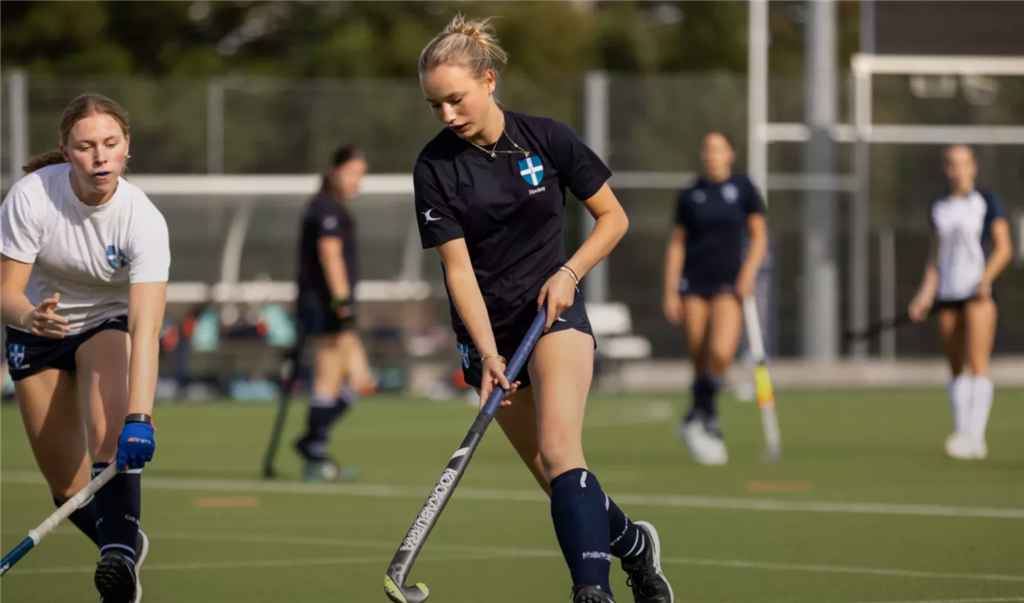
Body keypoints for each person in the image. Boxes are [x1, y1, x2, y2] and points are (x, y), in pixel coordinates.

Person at [414, 15, 673, 603]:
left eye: (455, 99)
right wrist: (487, 353)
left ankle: (591, 592)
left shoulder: (547, 138)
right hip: (489, 333)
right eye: (435, 105)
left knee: (561, 452)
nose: (447, 115)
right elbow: (458, 270)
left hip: (553, 314)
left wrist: (569, 272)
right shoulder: (433, 167)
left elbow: (613, 218)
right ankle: (635, 546)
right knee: (560, 484)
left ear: (488, 80)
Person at [0, 93, 169, 603]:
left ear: (127, 146)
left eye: (110, 143)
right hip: (37, 328)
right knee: (67, 486)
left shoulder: (142, 219)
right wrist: (29, 316)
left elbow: (145, 327)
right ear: (66, 151)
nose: (100, 156)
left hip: (105, 323)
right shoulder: (31, 196)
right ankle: (124, 539)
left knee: (109, 436)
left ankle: (117, 565)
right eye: (86, 146)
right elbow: (6, 292)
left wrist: (140, 416)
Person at [662, 132, 767, 465]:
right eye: (707, 149)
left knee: (720, 354)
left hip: (729, 285)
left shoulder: (743, 188)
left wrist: (748, 273)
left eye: (719, 149)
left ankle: (697, 416)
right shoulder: (691, 193)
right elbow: (677, 243)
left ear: (731, 154)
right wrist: (670, 290)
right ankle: (707, 421)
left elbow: (759, 236)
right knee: (698, 357)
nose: (712, 155)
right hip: (693, 284)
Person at [908, 145, 1012, 460]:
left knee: (978, 361)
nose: (958, 169)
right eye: (952, 164)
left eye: (964, 163)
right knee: (956, 366)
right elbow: (935, 256)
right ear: (946, 169)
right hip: (948, 293)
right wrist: (925, 294)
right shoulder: (939, 206)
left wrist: (986, 278)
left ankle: (976, 438)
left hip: (978, 293)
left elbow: (1004, 247)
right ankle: (962, 432)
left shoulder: (987, 201)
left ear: (973, 166)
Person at [292, 145, 376, 481]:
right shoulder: (325, 207)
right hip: (327, 306)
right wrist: (343, 302)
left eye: (361, 175)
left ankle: (311, 439)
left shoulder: (333, 207)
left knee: (361, 381)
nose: (357, 180)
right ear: (333, 170)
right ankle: (316, 458)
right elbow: (330, 254)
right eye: (352, 172)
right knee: (327, 380)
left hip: (336, 307)